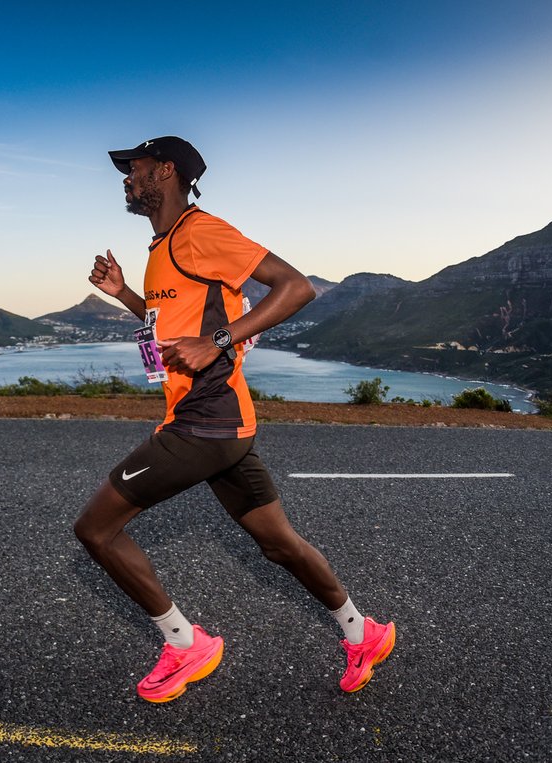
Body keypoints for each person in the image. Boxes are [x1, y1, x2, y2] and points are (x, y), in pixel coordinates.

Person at [76, 136, 395, 702]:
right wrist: (125, 293)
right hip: (227, 423)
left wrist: (217, 340)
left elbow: (298, 289)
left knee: (96, 529)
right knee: (278, 543)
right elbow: (166, 328)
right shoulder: (162, 245)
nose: (127, 177)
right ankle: (362, 632)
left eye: (136, 168)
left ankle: (184, 644)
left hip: (206, 421)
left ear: (166, 172)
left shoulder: (202, 231)